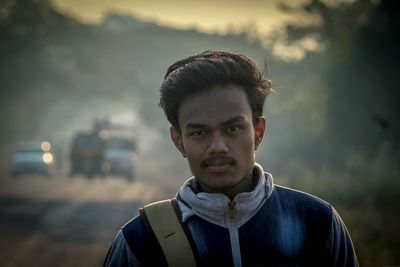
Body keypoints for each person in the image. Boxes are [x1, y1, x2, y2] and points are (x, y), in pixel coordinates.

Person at [103, 50, 359, 266]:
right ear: (178, 140)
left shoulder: (317, 222)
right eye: (199, 132)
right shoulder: (139, 240)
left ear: (258, 131)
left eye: (232, 129)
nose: (218, 147)